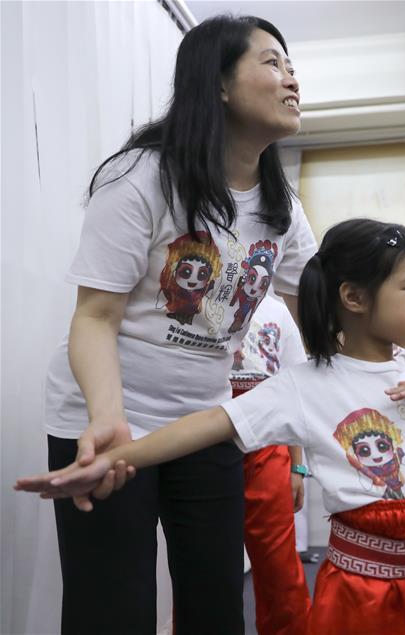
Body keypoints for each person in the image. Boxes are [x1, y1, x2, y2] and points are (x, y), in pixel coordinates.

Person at [18, 219, 405, 635]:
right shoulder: (306, 385)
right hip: (361, 594)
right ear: (354, 298)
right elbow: (209, 425)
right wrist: (112, 457)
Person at [38, 16, 317, 633]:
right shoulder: (141, 177)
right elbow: (94, 316)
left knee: (216, 603)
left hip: (204, 425)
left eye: (291, 64)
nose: (292, 78)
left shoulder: (281, 210)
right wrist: (109, 422)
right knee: (112, 608)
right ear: (217, 84)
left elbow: (318, 322)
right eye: (272, 63)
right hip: (109, 416)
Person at [230, 294, 311, 635]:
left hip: (267, 444)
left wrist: (297, 467)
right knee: (205, 564)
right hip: (208, 442)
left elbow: (295, 394)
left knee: (278, 566)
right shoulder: (207, 300)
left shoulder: (278, 312)